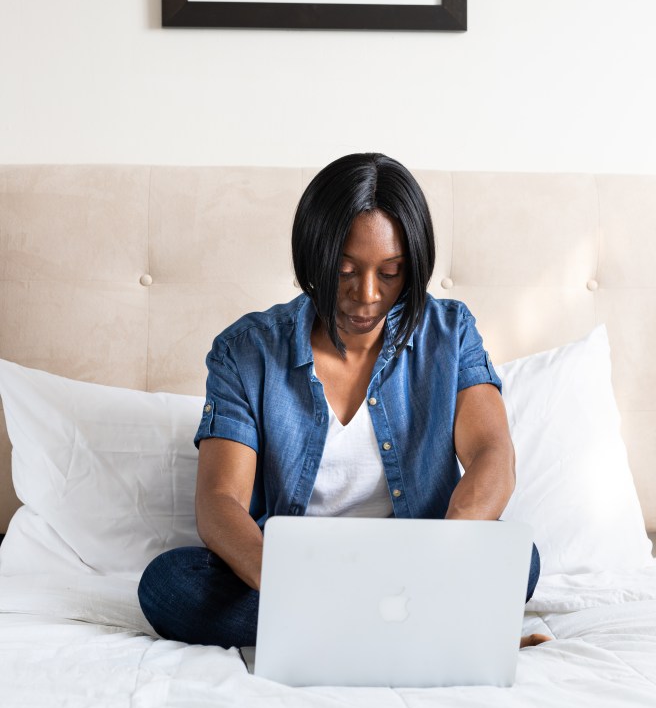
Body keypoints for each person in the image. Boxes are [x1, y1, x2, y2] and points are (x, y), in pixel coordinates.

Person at [138, 153, 548, 650]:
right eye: (345, 270)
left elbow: (492, 455)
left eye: (391, 273)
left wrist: (442, 557)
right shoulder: (247, 351)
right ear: (313, 258)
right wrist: (292, 586)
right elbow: (220, 501)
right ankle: (412, 629)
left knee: (517, 557)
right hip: (295, 575)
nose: (367, 295)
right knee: (168, 584)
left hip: (418, 565)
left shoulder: (450, 332)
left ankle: (336, 633)